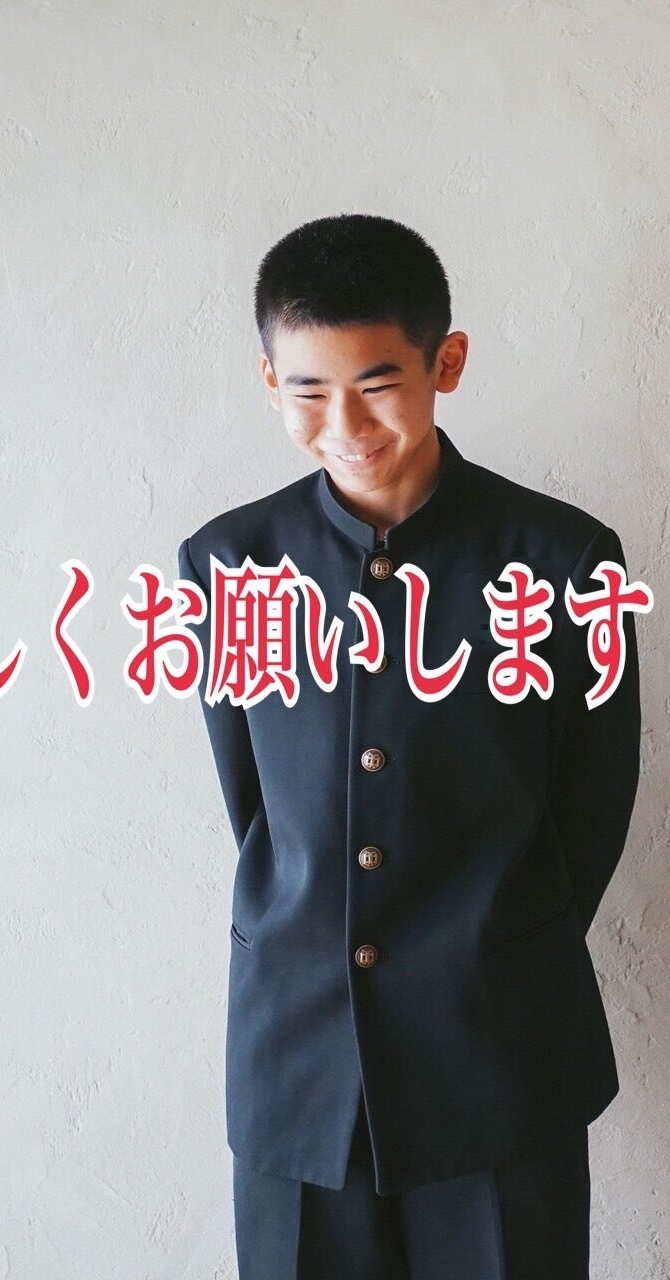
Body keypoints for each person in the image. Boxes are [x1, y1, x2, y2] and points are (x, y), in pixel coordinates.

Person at [175, 213, 649, 1279]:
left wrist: (493, 951)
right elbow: (253, 803)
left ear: (446, 362)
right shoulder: (229, 563)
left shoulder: (564, 560)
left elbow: (592, 802)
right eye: (307, 390)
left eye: (377, 382)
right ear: (268, 381)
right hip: (296, 1065)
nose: (345, 422)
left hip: (500, 1053)